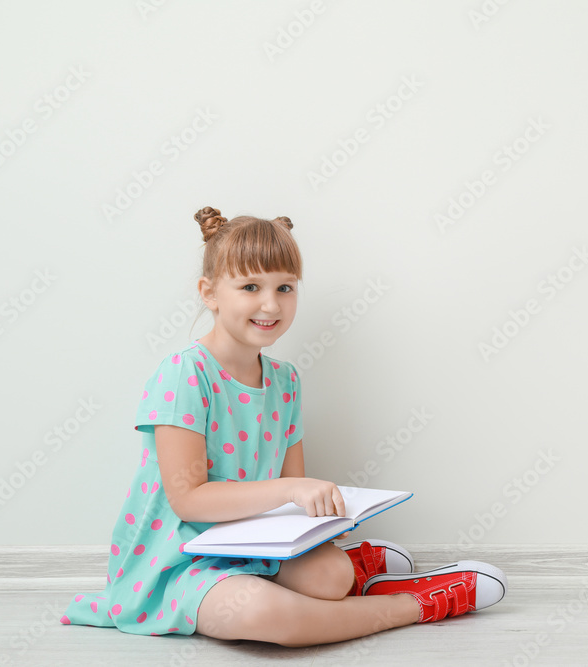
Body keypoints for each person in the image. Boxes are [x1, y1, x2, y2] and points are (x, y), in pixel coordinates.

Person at [59, 206, 507, 647]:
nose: (271, 305)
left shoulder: (285, 380)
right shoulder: (184, 375)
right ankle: (416, 604)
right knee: (270, 616)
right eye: (250, 286)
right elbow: (189, 499)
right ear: (209, 292)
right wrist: (292, 491)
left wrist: (322, 517)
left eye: (285, 288)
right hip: (177, 560)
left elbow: (294, 487)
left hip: (253, 546)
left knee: (331, 577)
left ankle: (357, 568)